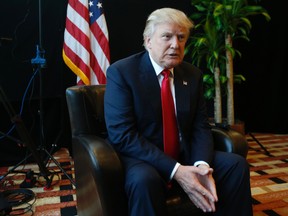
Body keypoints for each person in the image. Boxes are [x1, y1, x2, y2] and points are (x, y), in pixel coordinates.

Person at [104, 7, 252, 216]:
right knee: (144, 180)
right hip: (142, 157)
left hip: (184, 153)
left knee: (236, 165)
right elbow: (122, 135)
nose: (175, 44)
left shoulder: (192, 74)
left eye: (181, 37)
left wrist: (202, 165)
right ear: (148, 41)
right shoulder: (122, 73)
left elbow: (201, 126)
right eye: (167, 36)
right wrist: (176, 170)